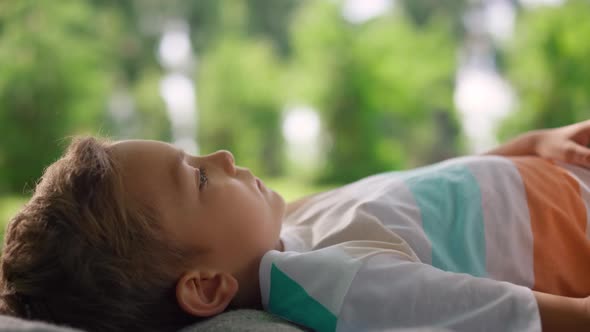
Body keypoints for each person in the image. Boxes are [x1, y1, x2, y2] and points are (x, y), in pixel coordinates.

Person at [0, 120, 589, 331]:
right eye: (199, 178)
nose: (224, 158)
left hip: (555, 171)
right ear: (206, 286)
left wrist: (527, 145)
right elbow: (500, 314)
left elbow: (429, 188)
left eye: (198, 155)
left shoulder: (291, 224)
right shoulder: (330, 281)